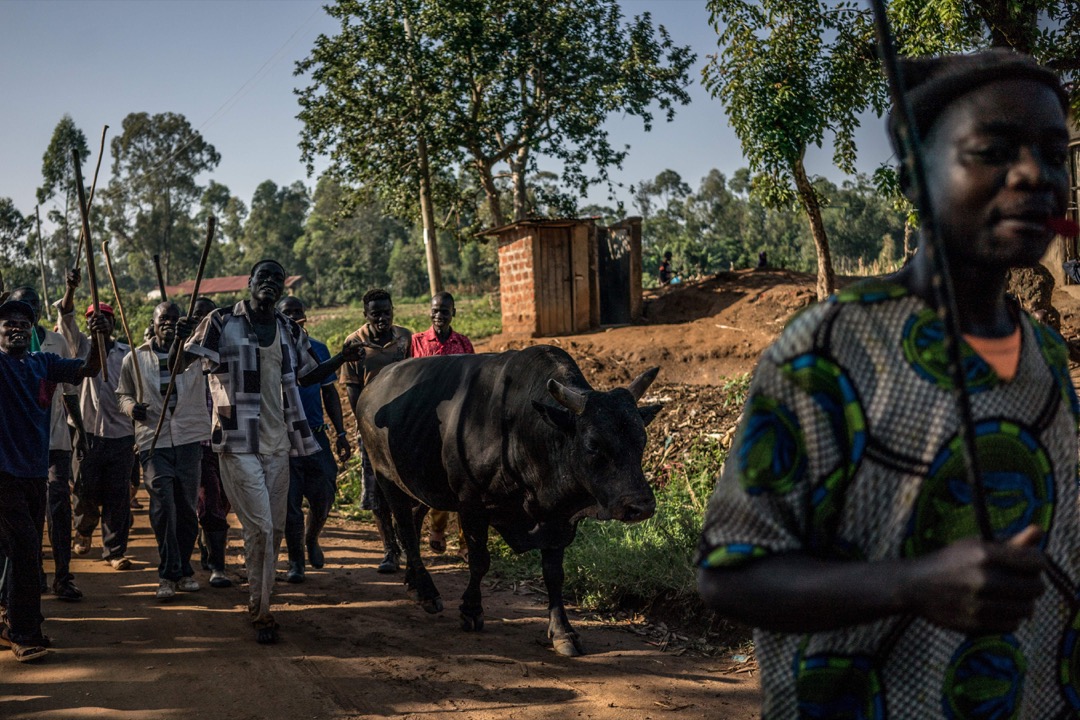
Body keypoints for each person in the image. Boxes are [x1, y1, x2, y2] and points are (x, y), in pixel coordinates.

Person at [697, 50, 1080, 716]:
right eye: (993, 150)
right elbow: (732, 575)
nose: (1033, 174)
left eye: (1055, 153)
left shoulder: (1047, 352)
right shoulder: (829, 349)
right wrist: (913, 584)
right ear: (912, 177)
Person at [176, 260, 359, 644]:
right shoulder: (221, 322)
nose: (271, 284)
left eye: (278, 279)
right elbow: (184, 365)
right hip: (236, 441)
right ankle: (261, 613)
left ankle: (260, 597)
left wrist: (341, 358)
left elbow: (307, 375)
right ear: (249, 283)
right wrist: (181, 340)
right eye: (265, 277)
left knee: (273, 530)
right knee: (260, 525)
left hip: (279, 444)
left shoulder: (289, 329)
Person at [0, 298, 105, 661]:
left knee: (22, 552)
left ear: (31, 330)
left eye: (22, 323)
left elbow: (89, 369)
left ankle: (19, 623)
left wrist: (99, 339)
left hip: (34, 474)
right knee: (26, 550)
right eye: (8, 323)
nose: (16, 328)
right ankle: (22, 632)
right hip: (3, 477)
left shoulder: (44, 363)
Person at [117, 302, 210, 601]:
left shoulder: (194, 354)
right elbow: (124, 395)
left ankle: (184, 569)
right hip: (153, 441)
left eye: (174, 319)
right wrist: (133, 408)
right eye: (163, 319)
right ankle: (167, 574)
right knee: (162, 507)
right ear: (153, 323)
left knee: (185, 508)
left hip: (187, 439)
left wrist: (189, 336)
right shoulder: (135, 357)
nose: (168, 324)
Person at [6, 287, 86, 601]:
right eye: (20, 306)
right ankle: (32, 574)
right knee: (24, 521)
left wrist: (81, 432)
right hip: (16, 450)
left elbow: (71, 387)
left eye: (33, 306)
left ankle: (63, 576)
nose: (28, 311)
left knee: (58, 505)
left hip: (54, 440)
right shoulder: (5, 349)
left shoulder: (54, 345)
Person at [57, 269, 136, 571]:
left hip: (121, 435)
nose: (98, 322)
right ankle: (84, 529)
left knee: (118, 496)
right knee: (84, 489)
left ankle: (114, 551)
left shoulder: (128, 355)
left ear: (113, 322)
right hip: (87, 432)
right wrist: (70, 289)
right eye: (93, 318)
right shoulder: (79, 347)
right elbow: (65, 316)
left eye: (104, 318)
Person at [276, 297, 351, 583]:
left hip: (317, 438)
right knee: (290, 505)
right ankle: (296, 562)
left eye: (298, 312)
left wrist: (341, 433)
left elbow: (330, 393)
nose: (295, 317)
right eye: (288, 313)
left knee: (323, 498)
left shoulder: (317, 349)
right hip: (284, 440)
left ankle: (312, 538)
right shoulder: (270, 352)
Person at [343, 288, 412, 574]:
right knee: (377, 491)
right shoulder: (354, 343)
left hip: (405, 426)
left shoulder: (405, 338)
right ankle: (389, 549)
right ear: (365, 315)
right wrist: (365, 426)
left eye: (386, 312)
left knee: (408, 487)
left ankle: (409, 544)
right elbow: (351, 388)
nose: (382, 318)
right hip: (372, 428)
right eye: (376, 314)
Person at [409, 292, 474, 556]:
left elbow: (473, 378)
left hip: (460, 420)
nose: (439, 316)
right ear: (429, 312)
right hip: (430, 420)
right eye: (435, 311)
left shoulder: (463, 343)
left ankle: (466, 541)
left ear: (453, 313)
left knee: (466, 480)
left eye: (444, 311)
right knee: (439, 476)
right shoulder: (417, 342)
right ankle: (437, 529)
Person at [190, 297, 232, 589]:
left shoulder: (229, 348)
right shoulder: (185, 354)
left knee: (223, 501)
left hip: (229, 439)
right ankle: (218, 566)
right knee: (210, 502)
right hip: (199, 442)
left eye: (210, 316)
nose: (205, 322)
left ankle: (208, 544)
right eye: (199, 317)